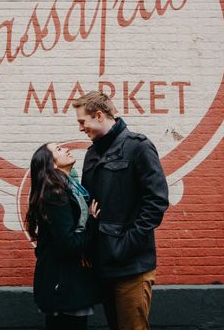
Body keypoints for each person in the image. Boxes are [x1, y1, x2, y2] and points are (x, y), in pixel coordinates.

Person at [72, 91, 169, 330]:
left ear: (98, 115)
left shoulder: (139, 147)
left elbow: (157, 201)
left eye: (82, 122)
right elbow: (90, 203)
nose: (81, 128)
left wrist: (126, 244)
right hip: (103, 263)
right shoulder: (92, 153)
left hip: (132, 265)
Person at [25, 142, 101, 330]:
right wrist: (92, 221)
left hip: (68, 281)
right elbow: (68, 244)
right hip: (63, 284)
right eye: (59, 149)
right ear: (53, 165)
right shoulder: (56, 194)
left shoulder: (71, 188)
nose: (67, 149)